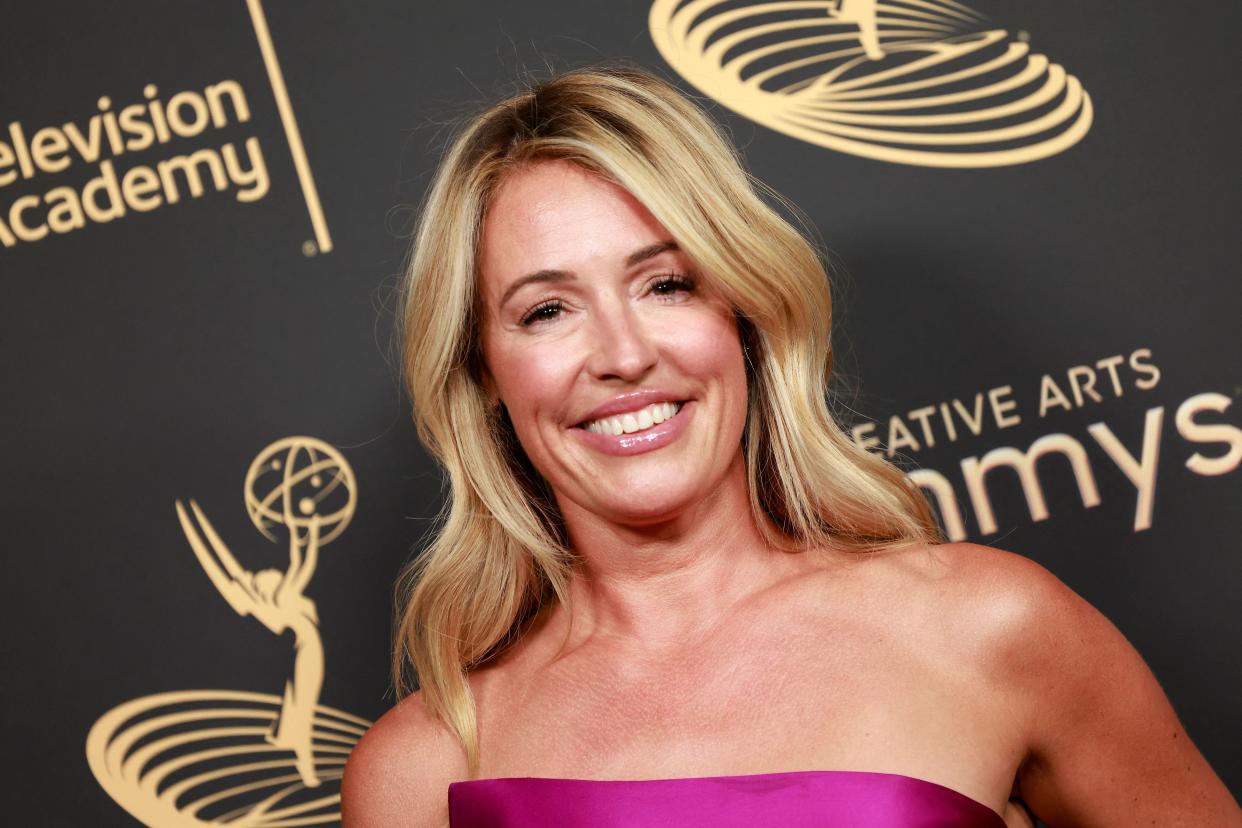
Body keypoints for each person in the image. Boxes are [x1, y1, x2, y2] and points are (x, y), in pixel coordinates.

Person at [341, 65, 1239, 826]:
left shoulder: (988, 629)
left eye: (667, 284)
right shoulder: (422, 775)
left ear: (744, 311)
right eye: (547, 310)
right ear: (484, 374)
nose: (622, 355)